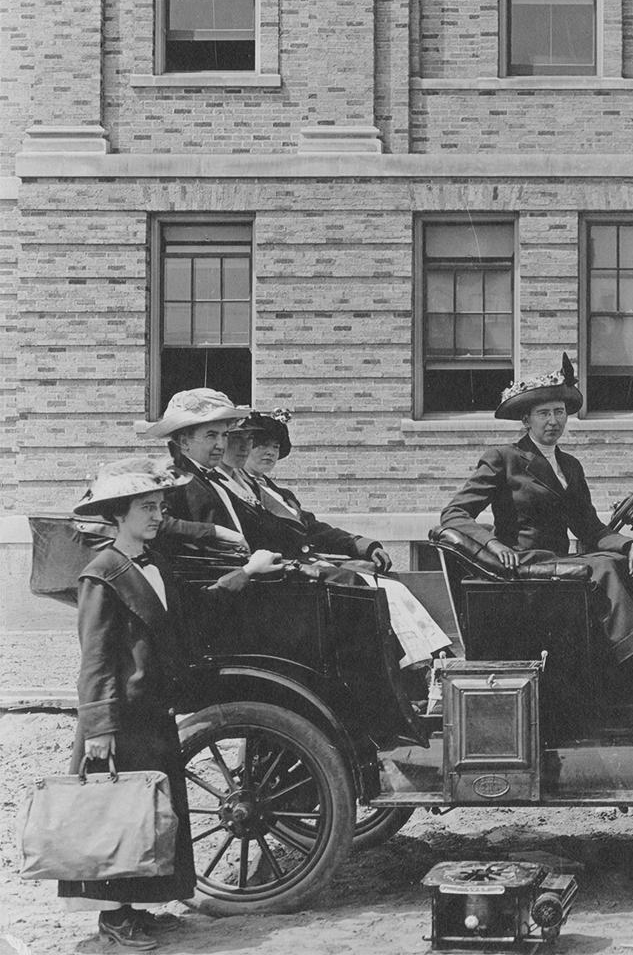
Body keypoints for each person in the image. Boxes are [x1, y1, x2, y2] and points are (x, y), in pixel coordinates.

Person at [439, 354, 633, 683]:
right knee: (603, 567)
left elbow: (590, 528)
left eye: (559, 412)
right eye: (544, 413)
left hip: (558, 563)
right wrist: (491, 543)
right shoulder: (503, 459)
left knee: (620, 560)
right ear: (526, 420)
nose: (553, 421)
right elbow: (453, 514)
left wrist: (631, 543)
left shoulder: (571, 466)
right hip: (522, 564)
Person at [58, 458, 199, 950]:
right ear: (118, 514)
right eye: (146, 507)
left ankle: (137, 910)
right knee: (115, 817)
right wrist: (98, 727)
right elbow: (95, 659)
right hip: (118, 719)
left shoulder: (155, 565)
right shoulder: (101, 574)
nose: (158, 515)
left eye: (160, 506)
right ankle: (113, 921)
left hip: (152, 713)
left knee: (150, 814)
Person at [233, 409, 455, 705]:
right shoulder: (240, 492)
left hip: (315, 568)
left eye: (275, 446)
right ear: (242, 447)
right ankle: (422, 679)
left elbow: (315, 529)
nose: (269, 452)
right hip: (287, 581)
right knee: (381, 592)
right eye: (260, 444)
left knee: (395, 586)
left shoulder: (279, 493)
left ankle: (434, 670)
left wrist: (362, 545)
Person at [145, 388, 283, 591]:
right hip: (205, 592)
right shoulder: (173, 479)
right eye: (211, 435)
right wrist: (215, 532)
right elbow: (157, 524)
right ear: (184, 442)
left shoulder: (211, 477)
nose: (221, 444)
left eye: (224, 435)